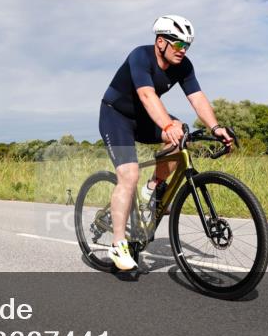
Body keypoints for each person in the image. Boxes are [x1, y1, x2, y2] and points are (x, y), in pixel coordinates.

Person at [98, 15, 233, 270]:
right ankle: (118, 244)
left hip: (144, 118)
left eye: (188, 46)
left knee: (182, 131)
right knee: (129, 174)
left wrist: (215, 127)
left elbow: (197, 98)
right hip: (116, 116)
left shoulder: (184, 65)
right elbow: (147, 95)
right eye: (179, 44)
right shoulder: (140, 56)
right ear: (161, 42)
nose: (184, 51)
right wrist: (166, 125)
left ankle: (154, 187)